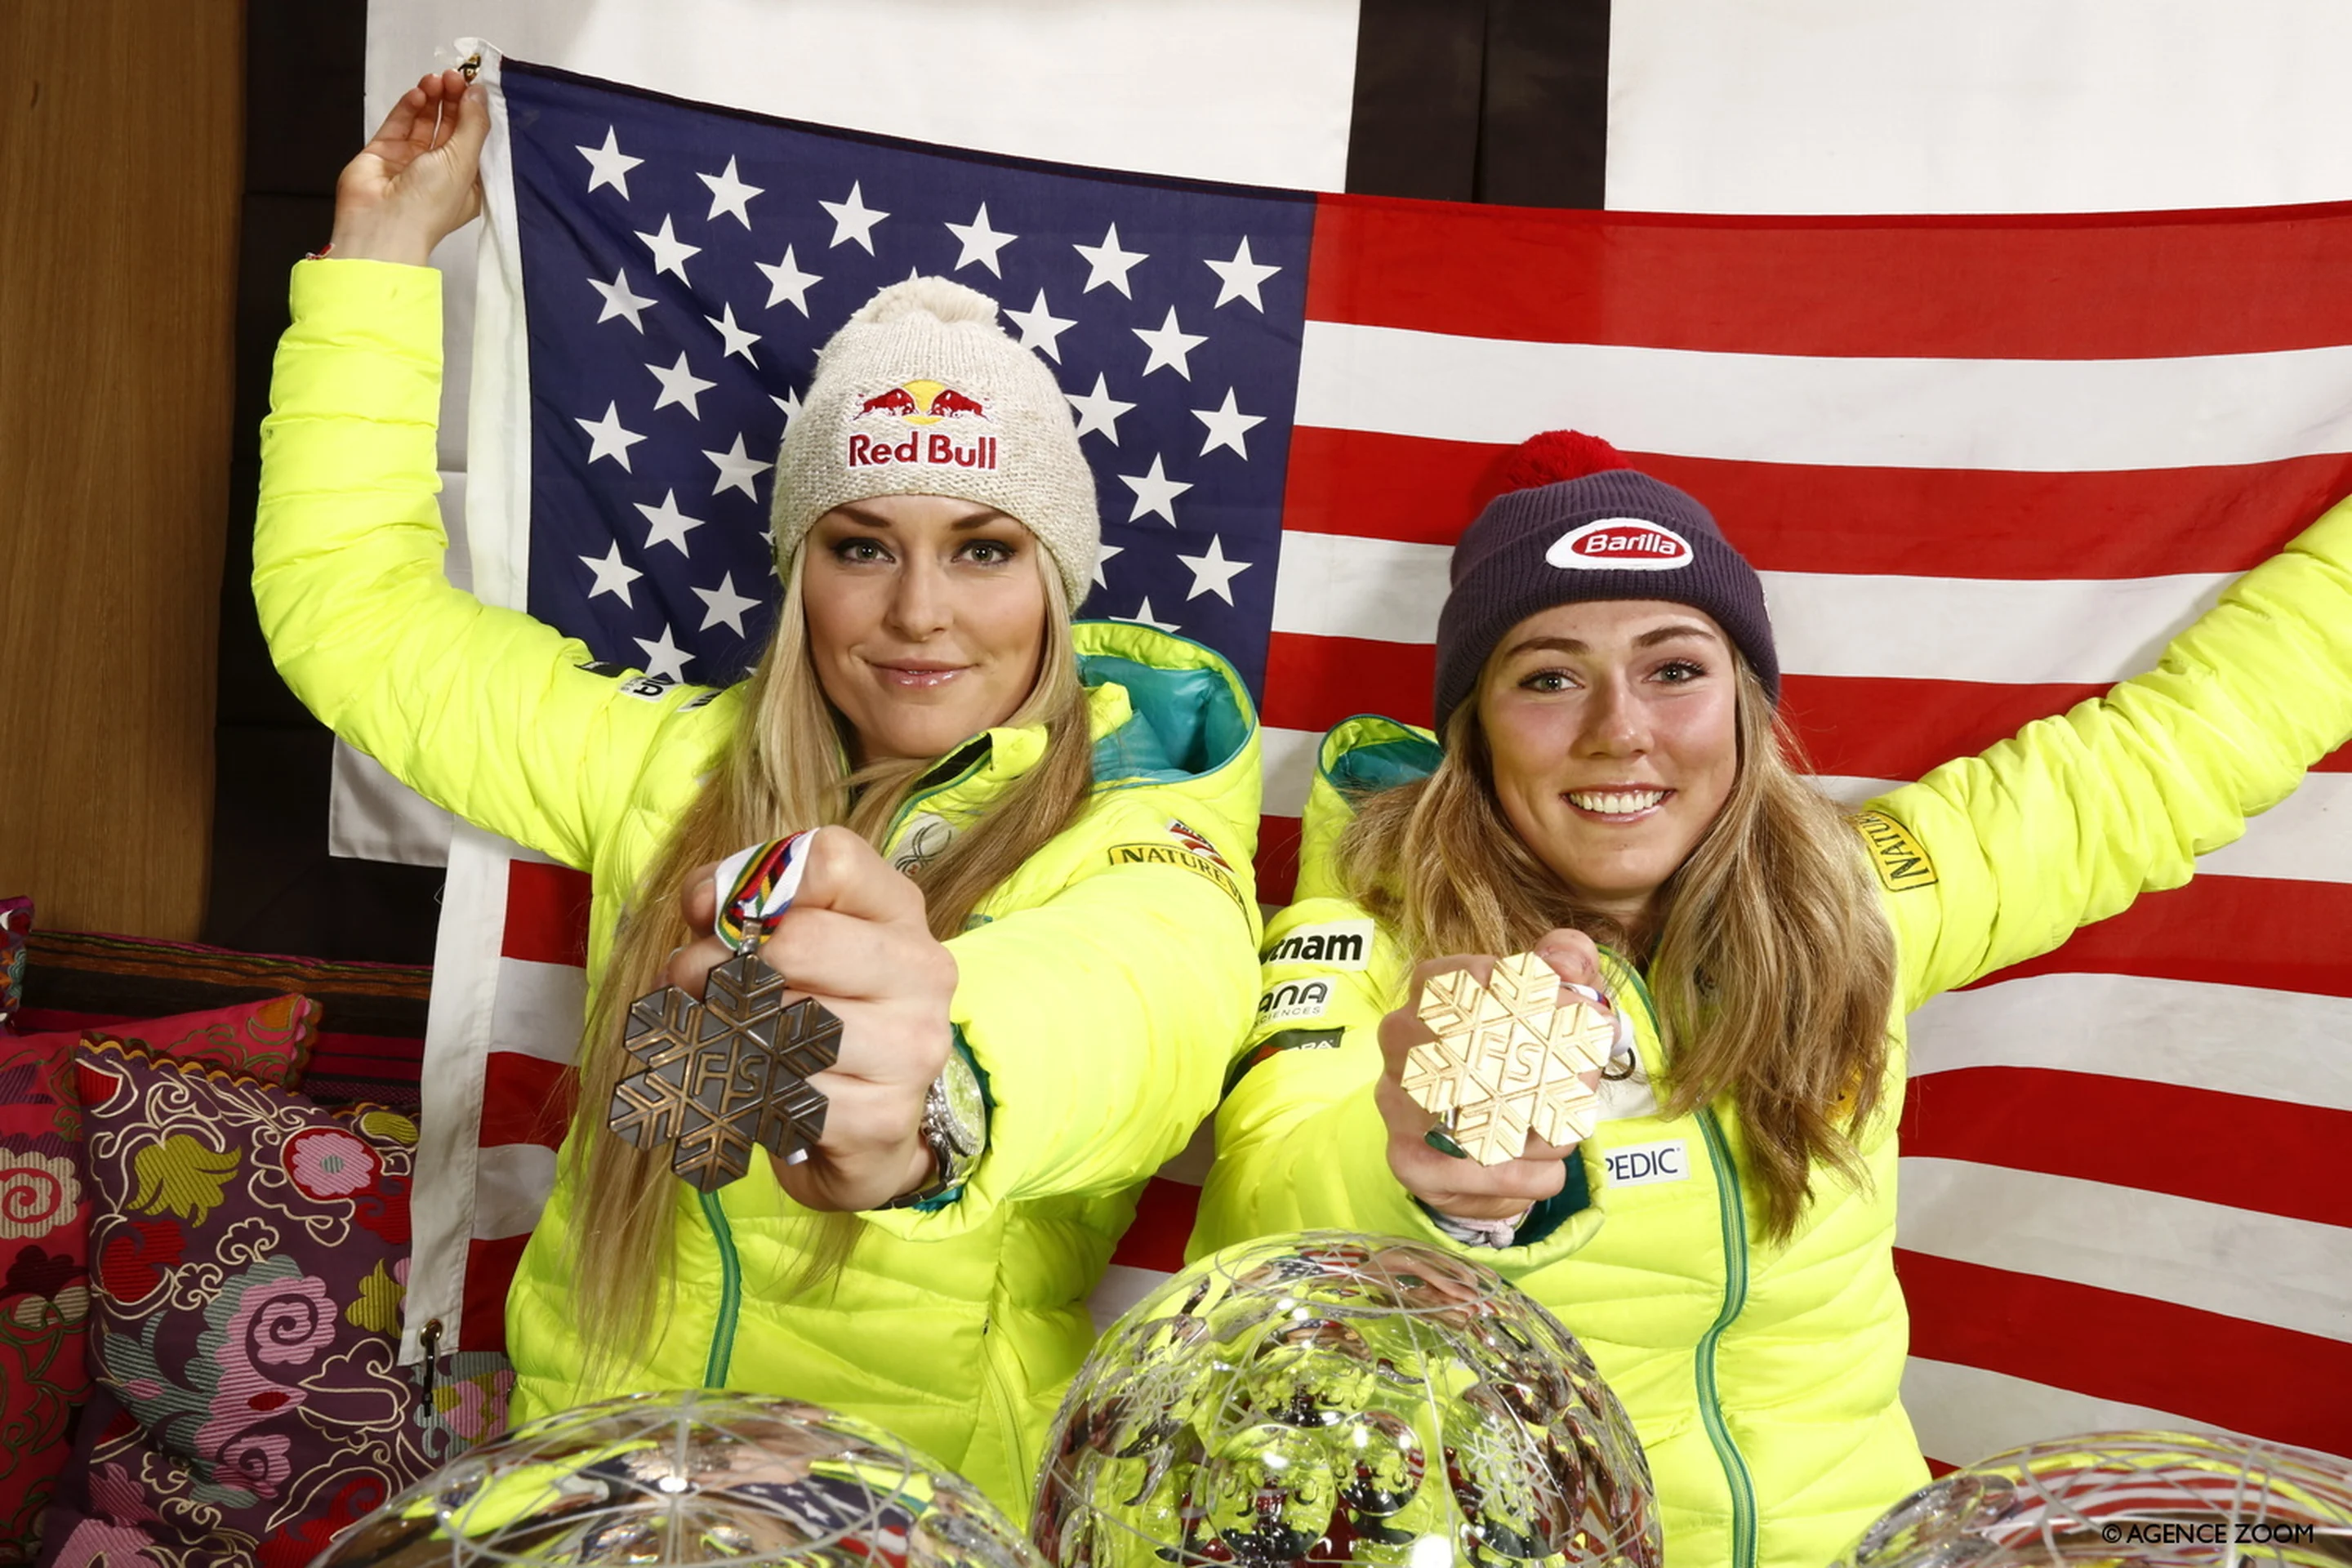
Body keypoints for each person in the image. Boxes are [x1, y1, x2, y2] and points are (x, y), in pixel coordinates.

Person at [256, 69, 1263, 1513]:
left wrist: (944, 1084)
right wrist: (387, 250)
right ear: (802, 576)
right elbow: (349, 614)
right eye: (863, 546)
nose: (921, 611)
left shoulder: (1146, 823)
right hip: (594, 1506)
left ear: (1057, 583)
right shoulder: (668, 773)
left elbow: (1137, 999)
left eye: (983, 548)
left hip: (904, 1523)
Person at [1192, 429, 2352, 1568]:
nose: (1621, 730)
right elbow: (1264, 1196)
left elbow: (2177, 749)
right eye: (1549, 677)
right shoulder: (1370, 933)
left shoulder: (1855, 905)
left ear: (1744, 702)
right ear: (1474, 730)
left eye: (1675, 668)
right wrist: (1437, 1180)